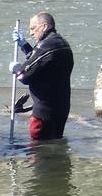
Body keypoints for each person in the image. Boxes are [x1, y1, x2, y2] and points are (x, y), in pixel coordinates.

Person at [10, 11, 75, 141]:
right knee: (56, 150)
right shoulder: (63, 44)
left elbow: (25, 76)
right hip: (61, 110)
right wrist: (24, 45)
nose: (31, 33)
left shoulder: (45, 46)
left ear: (45, 26)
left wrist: (16, 70)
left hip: (43, 113)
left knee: (39, 154)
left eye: (33, 28)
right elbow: (41, 63)